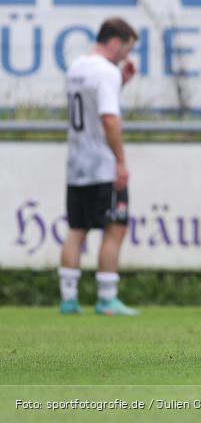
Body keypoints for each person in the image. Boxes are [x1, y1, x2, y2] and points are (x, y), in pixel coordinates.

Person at [59, 17, 139, 316]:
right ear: (115, 42)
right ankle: (107, 298)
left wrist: (122, 81)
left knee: (76, 229)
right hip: (102, 165)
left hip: (77, 163)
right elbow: (107, 117)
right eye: (126, 49)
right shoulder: (107, 73)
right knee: (115, 227)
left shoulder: (77, 67)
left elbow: (90, 107)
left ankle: (68, 299)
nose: (126, 57)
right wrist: (120, 161)